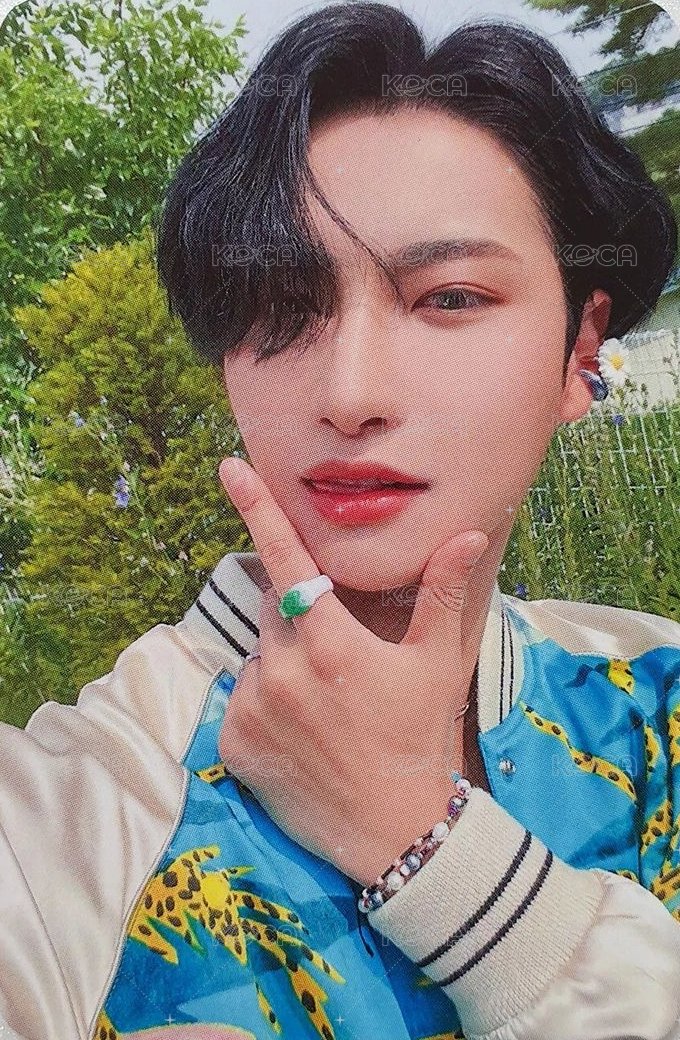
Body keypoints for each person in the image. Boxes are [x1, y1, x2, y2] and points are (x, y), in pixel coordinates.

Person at [2, 4, 680, 1039]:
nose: (349, 392)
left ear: (582, 351)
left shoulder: (653, 703)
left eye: (449, 297)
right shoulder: (81, 808)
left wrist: (430, 844)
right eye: (282, 307)